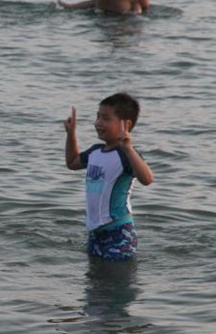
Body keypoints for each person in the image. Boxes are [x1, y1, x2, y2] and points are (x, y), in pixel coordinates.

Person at [63, 93, 154, 261]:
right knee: (94, 283)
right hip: (95, 233)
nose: (98, 123)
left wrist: (129, 148)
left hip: (118, 232)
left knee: (116, 282)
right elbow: (72, 162)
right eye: (98, 117)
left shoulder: (125, 155)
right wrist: (71, 134)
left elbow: (147, 179)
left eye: (105, 118)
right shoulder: (95, 151)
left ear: (125, 124)